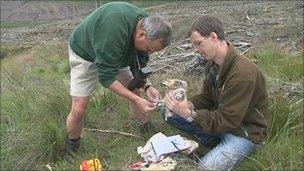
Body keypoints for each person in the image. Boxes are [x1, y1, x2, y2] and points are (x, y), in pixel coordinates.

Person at [162, 15, 271, 170]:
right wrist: (186, 104)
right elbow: (207, 98)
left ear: (213, 37)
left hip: (244, 133)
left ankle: (223, 145)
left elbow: (226, 119)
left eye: (198, 43)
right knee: (168, 112)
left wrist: (189, 114)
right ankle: (214, 141)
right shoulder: (213, 64)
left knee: (205, 168)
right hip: (223, 124)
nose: (196, 50)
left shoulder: (243, 74)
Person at [66, 2, 172, 152]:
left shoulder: (150, 26)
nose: (149, 52)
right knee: (79, 108)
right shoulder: (113, 30)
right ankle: (72, 145)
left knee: (135, 90)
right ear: (141, 34)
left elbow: (139, 64)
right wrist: (137, 100)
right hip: (85, 53)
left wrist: (148, 86)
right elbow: (106, 77)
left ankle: (147, 130)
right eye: (149, 49)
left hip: (117, 51)